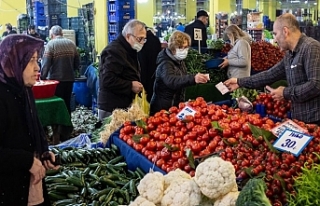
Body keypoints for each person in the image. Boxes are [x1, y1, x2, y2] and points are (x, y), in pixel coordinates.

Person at [224, 13, 320, 124]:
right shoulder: (289, 54)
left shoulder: (311, 48)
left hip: (315, 121)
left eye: (275, 34)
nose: (274, 40)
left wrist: (285, 92)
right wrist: (239, 82)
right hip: (299, 120)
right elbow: (269, 75)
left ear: (285, 31)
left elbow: (316, 84)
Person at [0, 34, 59, 205]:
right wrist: (26, 161)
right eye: (31, 60)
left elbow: (32, 130)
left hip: (29, 182)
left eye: (37, 60)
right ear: (14, 62)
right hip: (8, 189)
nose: (37, 67)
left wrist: (43, 153)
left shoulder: (24, 90)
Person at [150, 31, 209, 115]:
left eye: (186, 47)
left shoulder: (179, 61)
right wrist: (193, 78)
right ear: (173, 47)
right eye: (181, 47)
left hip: (173, 105)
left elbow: (181, 78)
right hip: (162, 108)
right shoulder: (165, 63)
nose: (184, 50)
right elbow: (171, 81)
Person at [98, 19, 146, 121]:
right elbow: (106, 79)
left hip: (123, 105)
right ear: (128, 36)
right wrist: (130, 85)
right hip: (112, 108)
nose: (142, 42)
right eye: (140, 39)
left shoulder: (129, 50)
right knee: (109, 136)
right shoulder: (114, 51)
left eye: (144, 39)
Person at [41, 25, 80, 116]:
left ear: (51, 35)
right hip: (69, 78)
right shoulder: (71, 44)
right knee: (67, 102)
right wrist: (73, 70)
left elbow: (46, 64)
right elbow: (77, 62)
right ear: (62, 33)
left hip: (55, 80)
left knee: (58, 102)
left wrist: (42, 77)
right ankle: (68, 124)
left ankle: (59, 125)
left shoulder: (51, 44)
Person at [138, 27, 162, 102]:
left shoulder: (142, 42)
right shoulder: (156, 40)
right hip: (154, 72)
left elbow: (141, 60)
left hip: (144, 72)